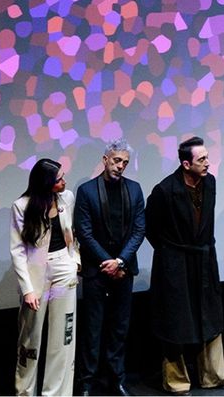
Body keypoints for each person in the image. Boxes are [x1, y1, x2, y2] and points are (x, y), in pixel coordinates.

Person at [145, 136, 224, 396]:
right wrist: (171, 255)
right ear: (186, 164)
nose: (208, 162)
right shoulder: (165, 190)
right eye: (202, 159)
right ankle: (176, 380)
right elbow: (151, 227)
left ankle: (213, 375)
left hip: (204, 259)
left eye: (208, 157)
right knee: (175, 321)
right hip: (175, 263)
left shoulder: (210, 182)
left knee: (210, 316)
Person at [74, 139, 145, 396]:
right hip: (97, 271)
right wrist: (108, 262)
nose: (120, 166)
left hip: (124, 270)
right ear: (105, 160)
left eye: (125, 162)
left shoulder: (134, 189)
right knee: (92, 328)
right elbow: (84, 232)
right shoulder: (87, 191)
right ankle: (87, 382)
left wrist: (121, 261)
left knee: (119, 328)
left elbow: (139, 230)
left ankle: (117, 380)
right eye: (116, 161)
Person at [10, 158, 79, 396]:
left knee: (63, 337)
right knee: (30, 337)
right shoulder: (22, 206)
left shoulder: (66, 198)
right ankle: (25, 392)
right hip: (36, 274)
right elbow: (18, 250)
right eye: (59, 179)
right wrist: (27, 289)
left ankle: (57, 393)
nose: (64, 181)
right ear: (46, 182)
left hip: (64, 267)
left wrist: (74, 261)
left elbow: (72, 233)